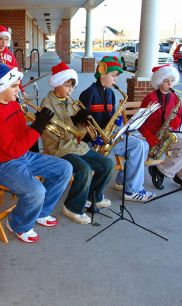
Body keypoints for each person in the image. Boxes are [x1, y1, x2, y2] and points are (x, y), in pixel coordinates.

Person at [0, 63, 73, 243]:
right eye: (14, 86)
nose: (19, 89)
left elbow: (21, 137)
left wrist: (36, 124)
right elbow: (14, 149)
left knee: (65, 168)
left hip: (21, 157)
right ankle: (17, 223)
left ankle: (41, 212)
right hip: (0, 164)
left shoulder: (13, 104)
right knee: (35, 191)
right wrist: (37, 128)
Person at [41, 62, 113, 225]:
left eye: (73, 87)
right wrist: (73, 124)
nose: (71, 90)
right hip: (59, 148)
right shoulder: (47, 103)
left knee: (107, 164)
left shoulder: (71, 102)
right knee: (84, 170)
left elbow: (79, 130)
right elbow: (53, 133)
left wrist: (82, 121)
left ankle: (92, 197)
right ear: (58, 83)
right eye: (68, 86)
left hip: (76, 146)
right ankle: (72, 207)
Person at [79, 56, 154, 202]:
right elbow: (81, 124)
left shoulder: (111, 94)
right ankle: (132, 190)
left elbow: (109, 119)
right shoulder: (88, 94)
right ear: (102, 73)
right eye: (113, 76)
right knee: (138, 146)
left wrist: (116, 119)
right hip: (93, 142)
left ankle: (123, 182)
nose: (115, 80)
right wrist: (93, 137)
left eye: (116, 77)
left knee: (141, 144)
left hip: (109, 138)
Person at [139, 64, 182, 192]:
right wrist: (150, 137)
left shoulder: (175, 98)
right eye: (166, 80)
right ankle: (160, 170)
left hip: (174, 131)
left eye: (172, 80)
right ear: (158, 81)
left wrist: (176, 122)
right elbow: (140, 122)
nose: (170, 84)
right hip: (157, 135)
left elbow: (180, 118)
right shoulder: (150, 98)